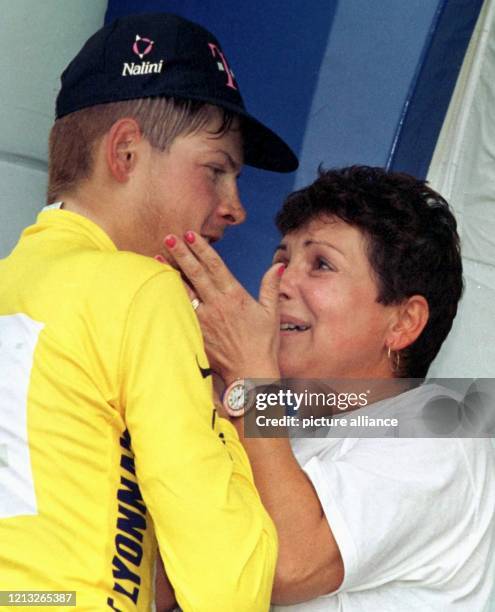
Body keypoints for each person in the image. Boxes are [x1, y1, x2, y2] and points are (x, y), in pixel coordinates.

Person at [0, 12, 299, 612]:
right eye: (216, 171)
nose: (235, 209)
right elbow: (228, 588)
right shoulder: (143, 293)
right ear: (127, 152)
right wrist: (244, 388)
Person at [164, 166, 495, 611]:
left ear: (403, 322)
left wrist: (246, 374)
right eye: (282, 260)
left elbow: (282, 566)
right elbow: (169, 579)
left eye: (320, 264)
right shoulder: (291, 429)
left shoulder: (447, 431)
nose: (281, 281)